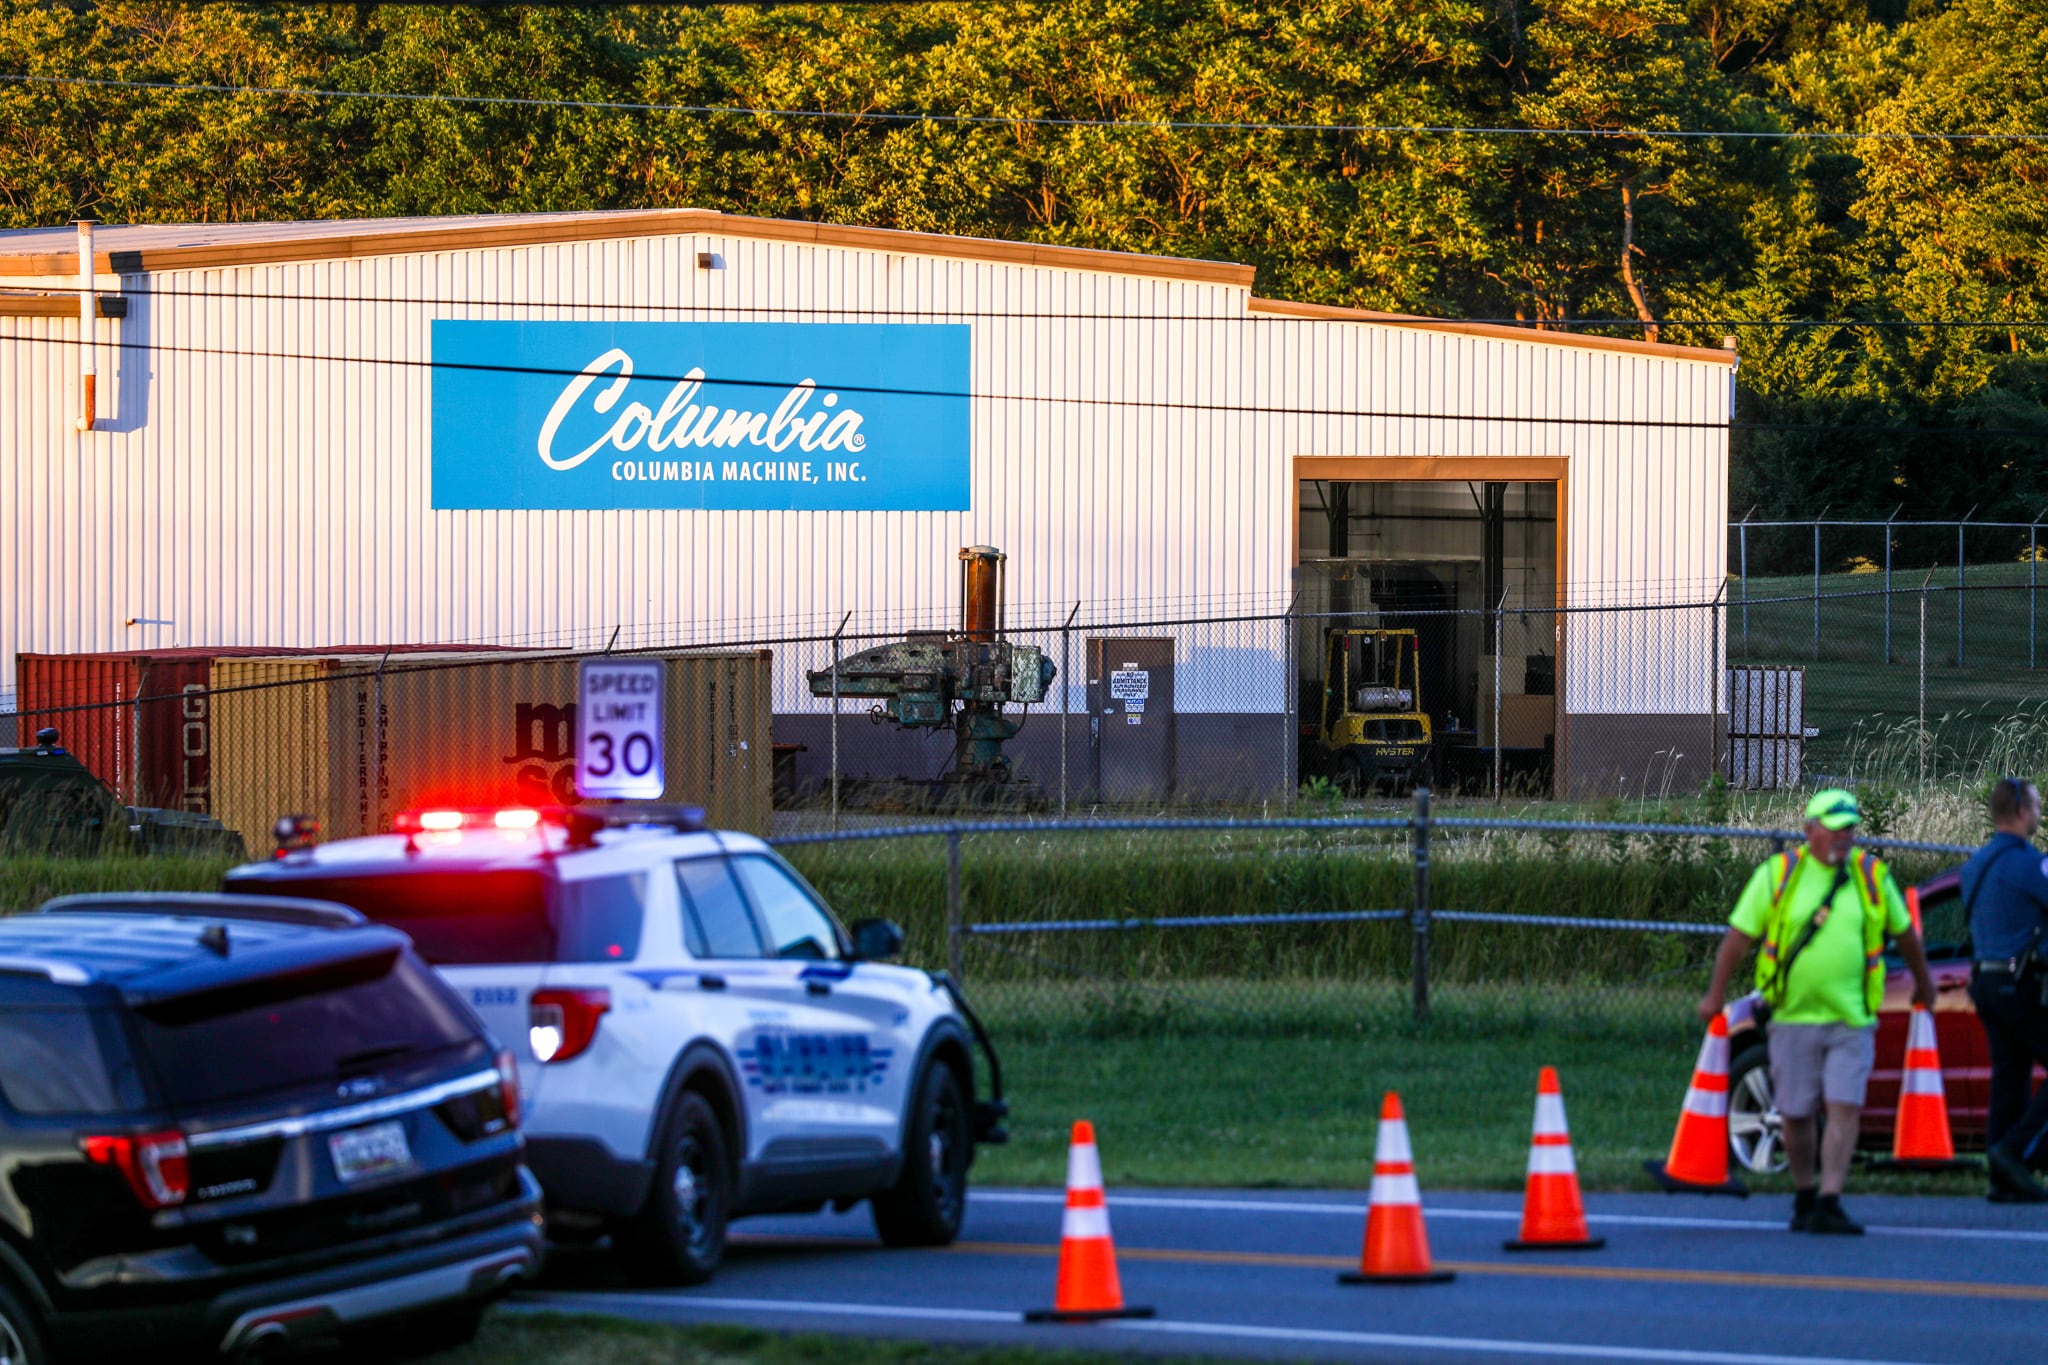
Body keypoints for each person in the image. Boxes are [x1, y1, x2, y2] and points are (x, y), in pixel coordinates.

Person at [1698, 789, 1936, 1234]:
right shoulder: (1780, 874)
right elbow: (1738, 937)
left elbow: (1904, 934)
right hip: (1791, 1017)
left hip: (1852, 1018)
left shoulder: (1870, 875)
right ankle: (1805, 1194)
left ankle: (1830, 1198)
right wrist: (1715, 995)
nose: (1845, 835)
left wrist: (1924, 983)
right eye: (1835, 826)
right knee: (1796, 1112)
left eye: (1850, 826)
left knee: (1845, 1106)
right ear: (1810, 831)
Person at [1961, 777, 2048, 1203]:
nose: (2039, 812)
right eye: (2035, 806)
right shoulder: (2031, 865)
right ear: (2020, 812)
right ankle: (2013, 1153)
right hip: (2020, 983)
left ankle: (2000, 1179)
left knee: (2009, 1077)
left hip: (1984, 983)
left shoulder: (1975, 865)